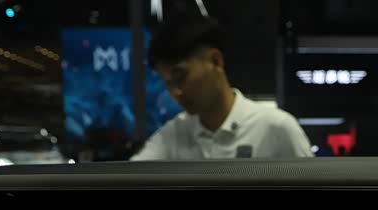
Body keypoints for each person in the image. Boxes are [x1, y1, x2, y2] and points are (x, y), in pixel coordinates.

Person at [132, 14, 313, 161]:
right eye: (168, 84)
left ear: (215, 60)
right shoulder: (174, 135)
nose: (176, 92)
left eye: (181, 77)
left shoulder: (275, 128)